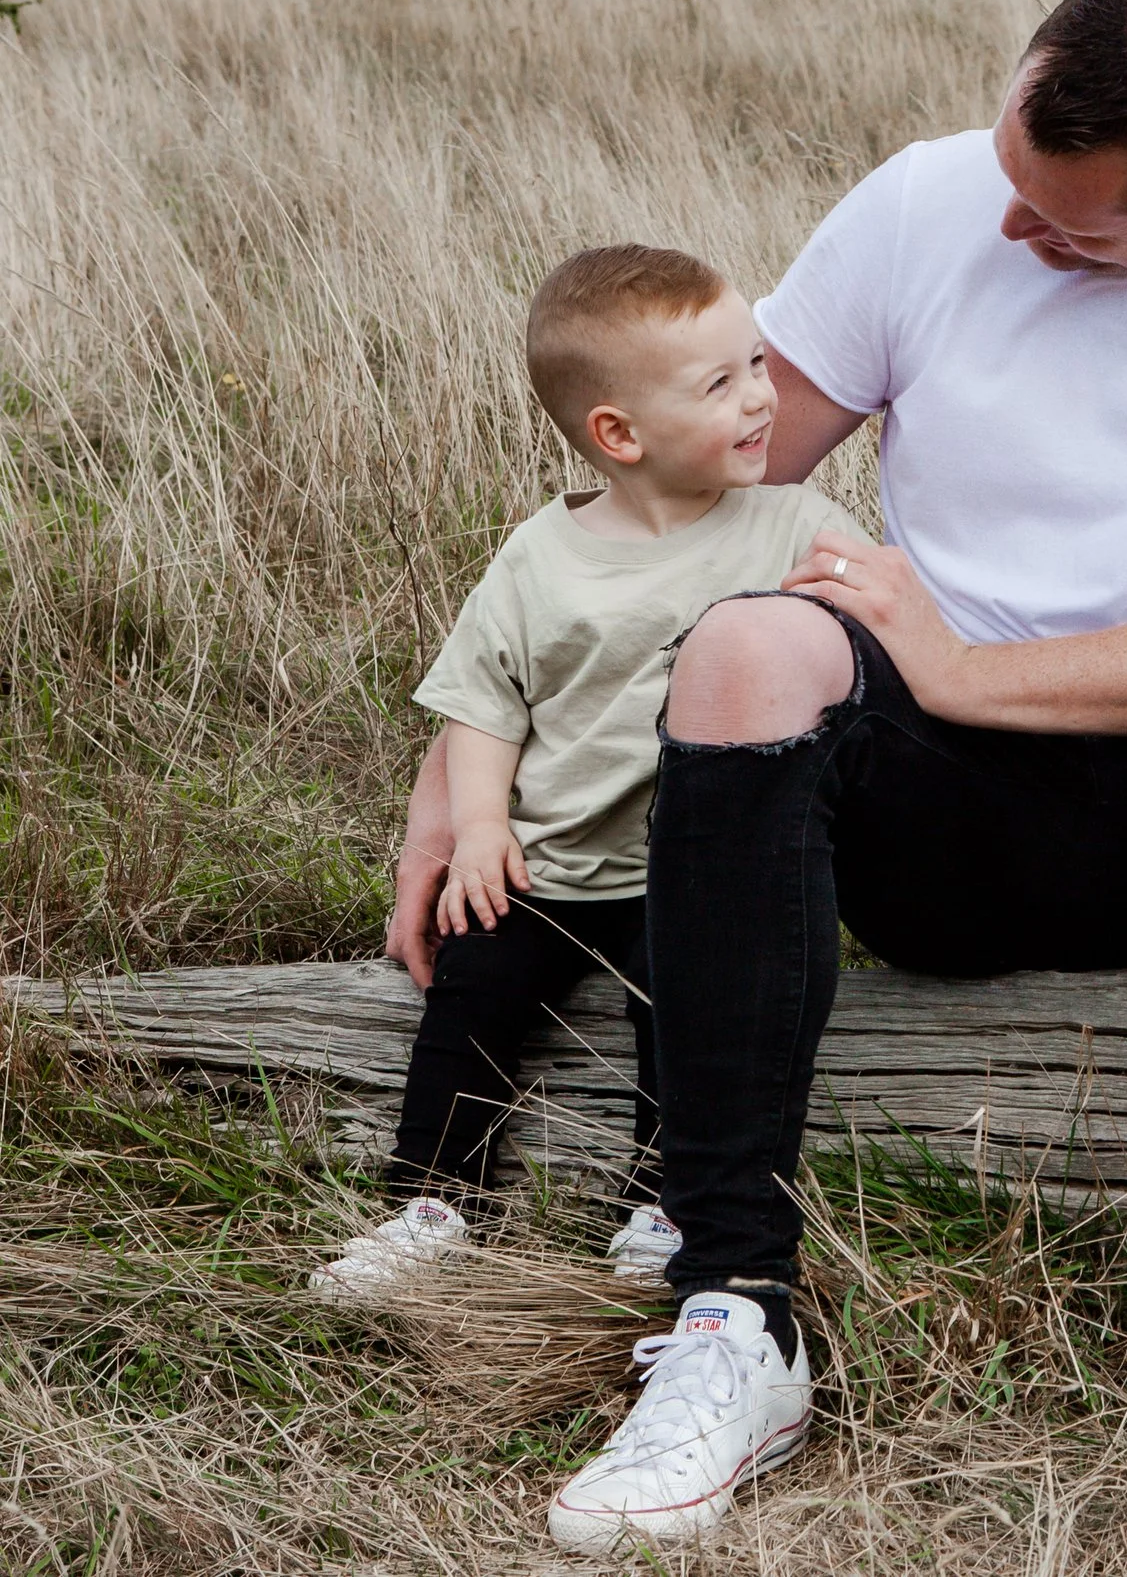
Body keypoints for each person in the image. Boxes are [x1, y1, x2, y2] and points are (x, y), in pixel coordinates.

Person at [385, 0, 1127, 1549]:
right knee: (750, 641)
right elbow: (674, 495)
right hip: (946, 827)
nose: (1009, 227)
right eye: (1009, 168)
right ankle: (737, 1307)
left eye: (1064, 223)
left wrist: (970, 665)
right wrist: (461, 789)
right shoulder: (929, 198)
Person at [336, 245, 866, 1299]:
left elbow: (864, 661)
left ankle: (661, 1194)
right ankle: (436, 1197)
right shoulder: (542, 552)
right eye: (721, 384)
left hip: (698, 868)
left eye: (756, 362)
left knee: (685, 1003)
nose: (763, 398)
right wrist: (479, 826)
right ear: (617, 433)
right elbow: (487, 702)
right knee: (472, 987)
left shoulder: (798, 528)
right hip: (554, 856)